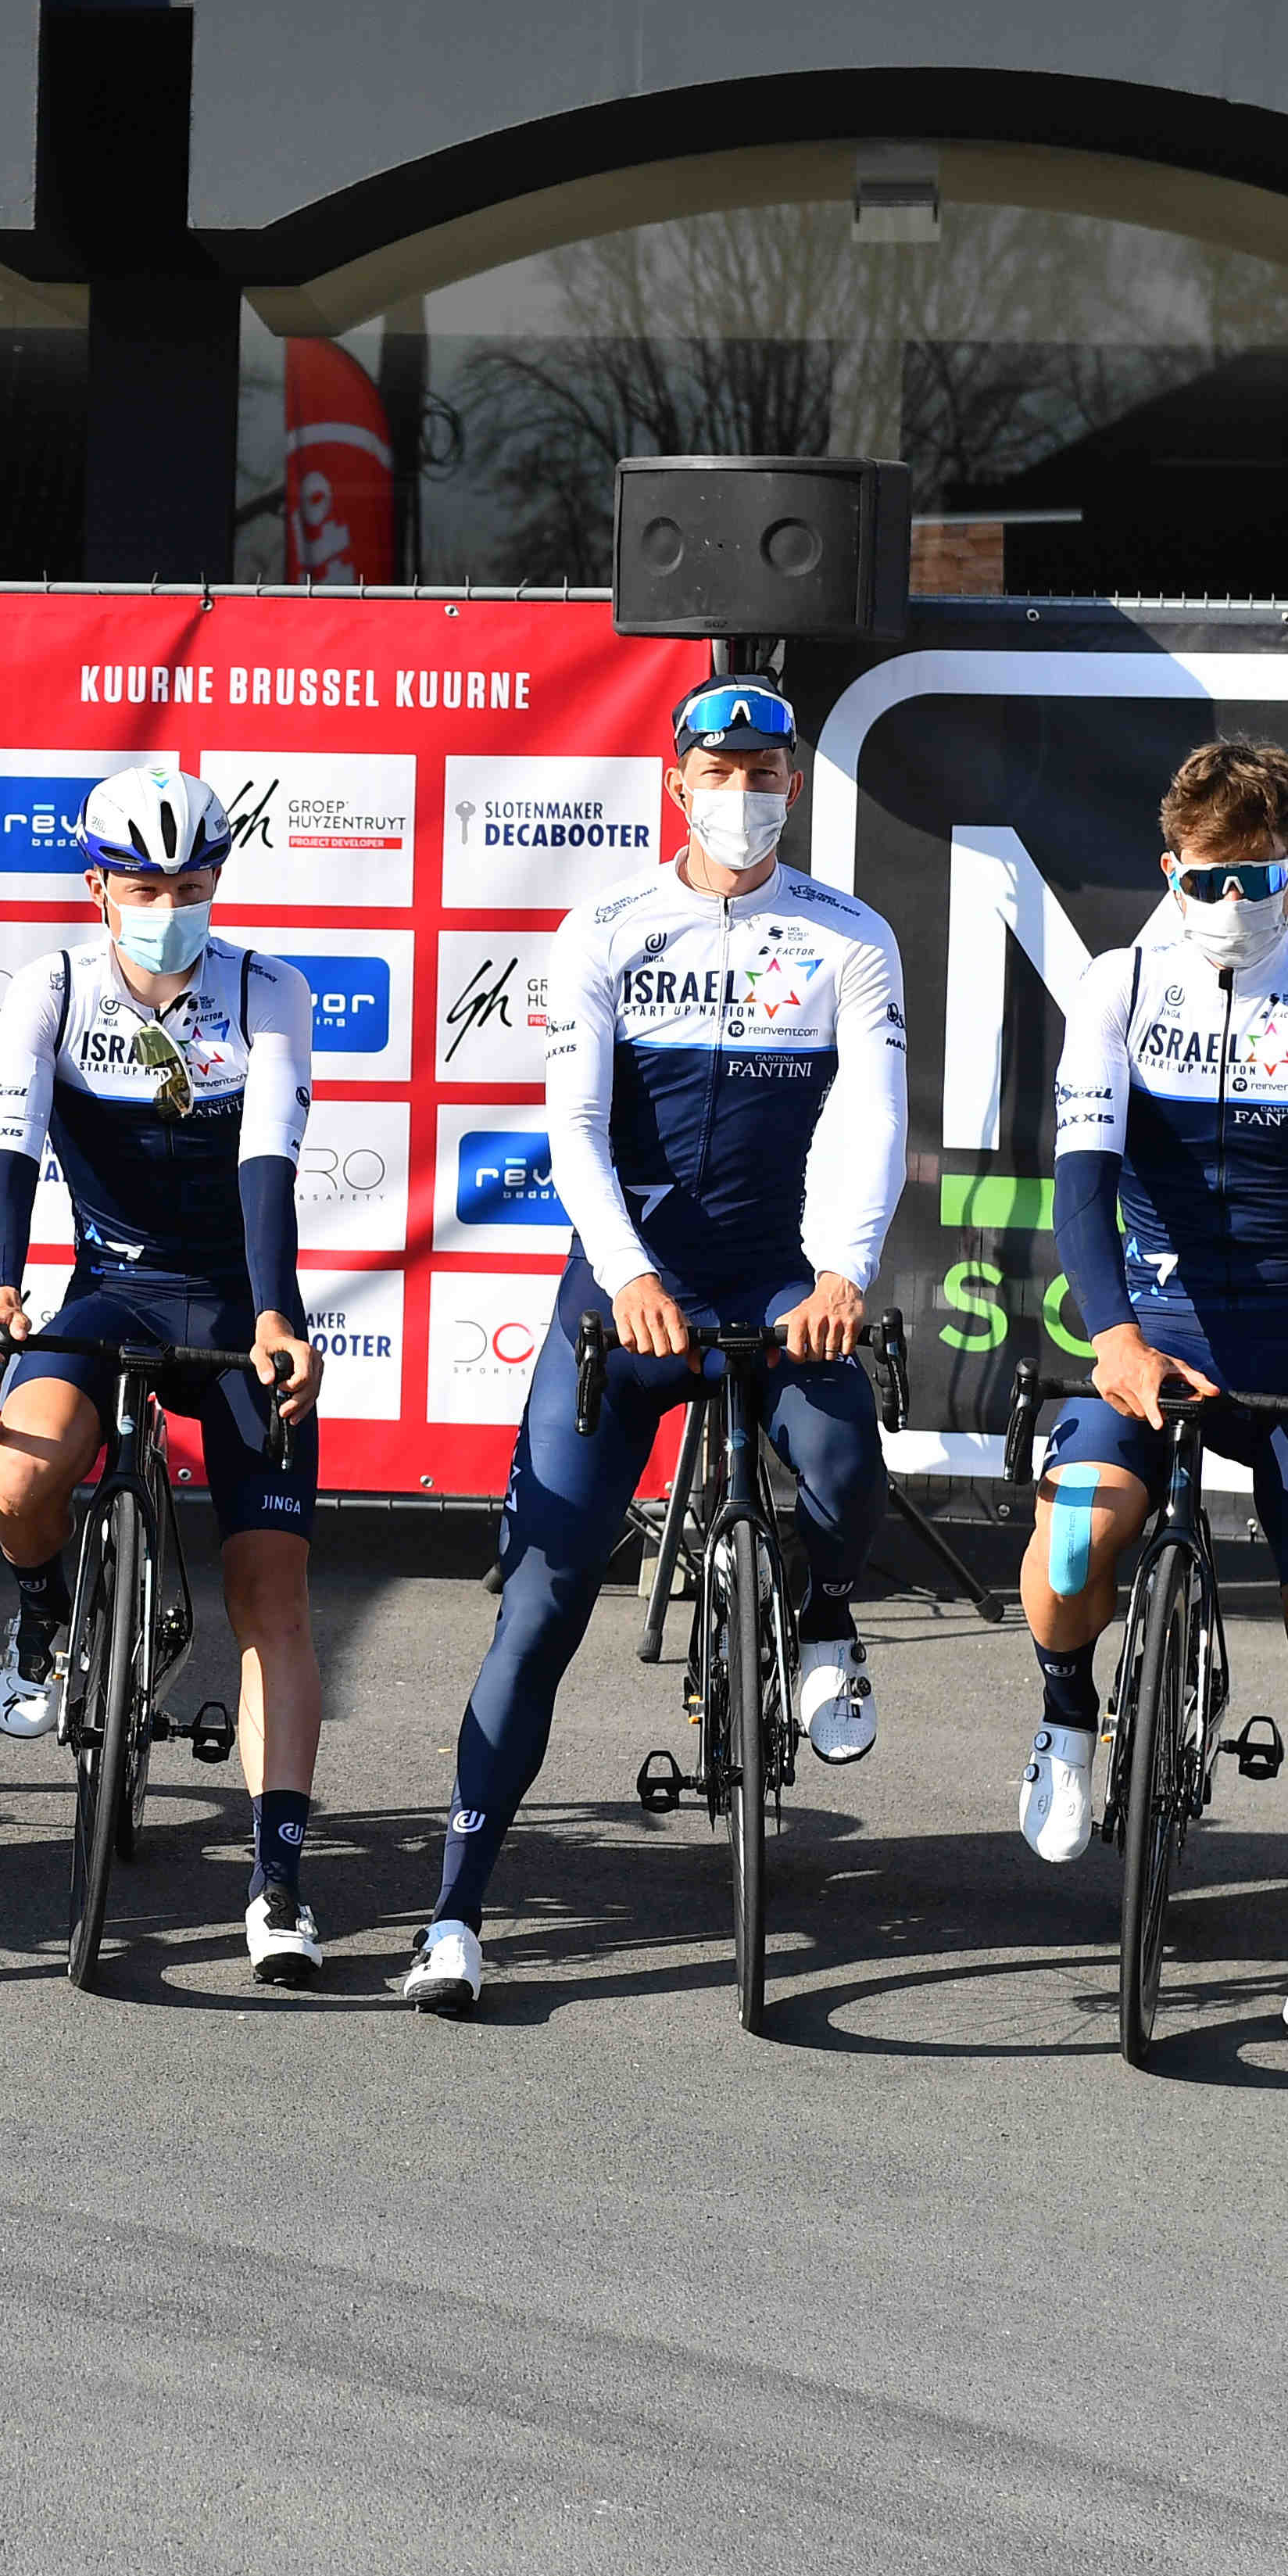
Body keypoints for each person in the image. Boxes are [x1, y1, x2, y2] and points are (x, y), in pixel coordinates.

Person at [392, 675, 907, 2017]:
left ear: (793, 784)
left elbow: (872, 1116)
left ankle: (826, 1615)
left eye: (765, 772)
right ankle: (453, 1916)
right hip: (631, 1286)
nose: (744, 792)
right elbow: (571, 1126)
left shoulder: (851, 935)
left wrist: (844, 1272)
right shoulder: (606, 928)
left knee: (848, 1471)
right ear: (676, 781)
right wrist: (625, 1275)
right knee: (540, 1607)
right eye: (719, 770)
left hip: (781, 1275)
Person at [1013, 738, 1288, 2042]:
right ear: (1168, 870)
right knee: (1077, 1541)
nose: (1232, 903)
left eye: (1258, 878)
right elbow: (1080, 1181)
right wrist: (1116, 1339)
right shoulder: (1119, 984)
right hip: (1162, 1333)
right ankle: (1067, 1711)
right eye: (1207, 880)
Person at [0, 761, 330, 1987]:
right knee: (18, 1483)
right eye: (143, 885)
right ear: (98, 886)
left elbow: (268, 1157)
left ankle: (278, 1878)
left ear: (216, 880)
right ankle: (43, 1611)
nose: (168, 905)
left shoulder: (269, 990)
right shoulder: (54, 986)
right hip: (112, 1285)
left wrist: (274, 1314)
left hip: (232, 1297)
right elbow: (10, 1140)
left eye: (190, 883)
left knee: (272, 1596)